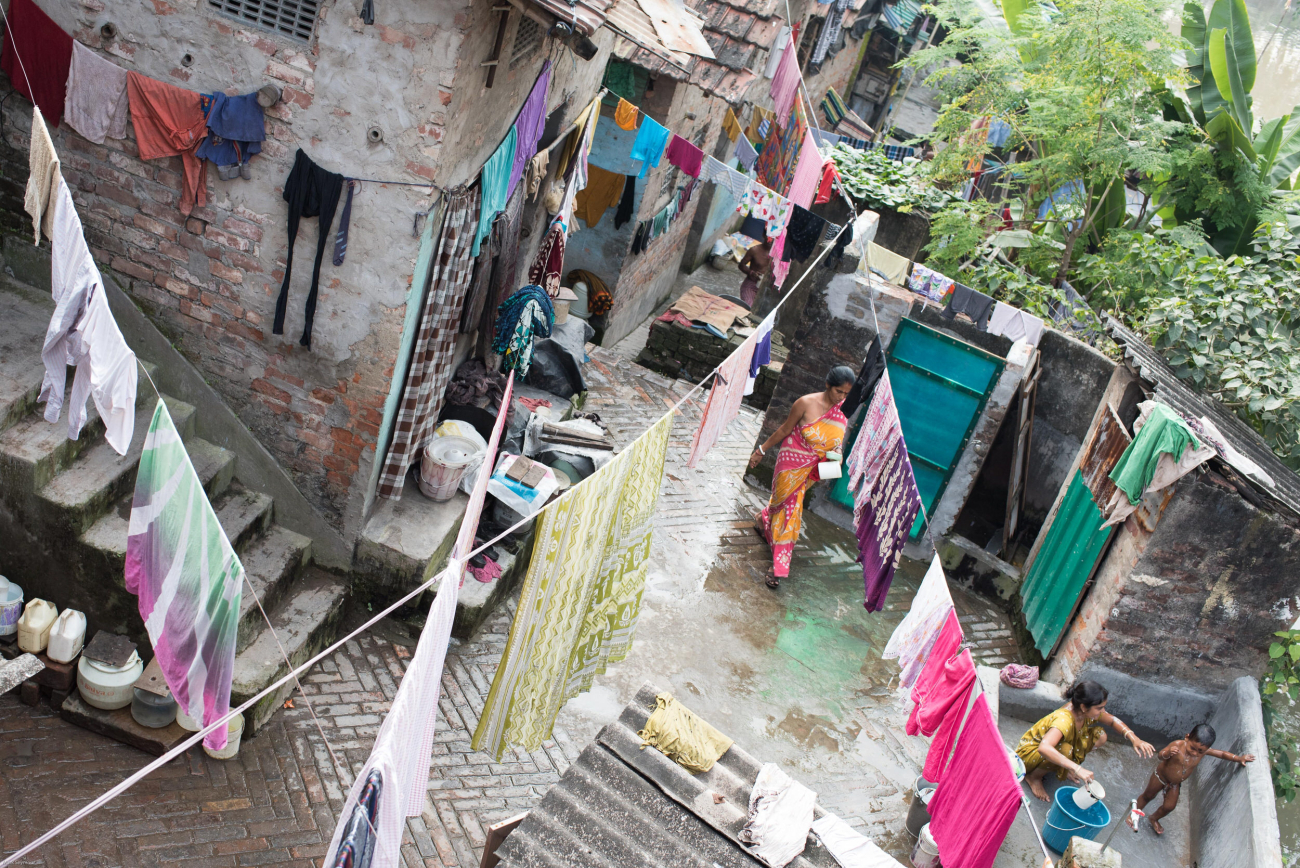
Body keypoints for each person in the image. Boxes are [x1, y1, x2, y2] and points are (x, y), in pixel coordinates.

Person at [748, 366, 853, 589]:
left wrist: (837, 458)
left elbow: (836, 443)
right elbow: (784, 430)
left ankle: (763, 524)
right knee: (786, 506)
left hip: (813, 469)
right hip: (790, 462)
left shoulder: (842, 411)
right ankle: (778, 565)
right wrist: (761, 451)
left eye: (846, 394)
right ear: (827, 385)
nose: (841, 398)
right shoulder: (805, 403)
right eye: (838, 392)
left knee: (790, 509)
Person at [1015, 681, 1155, 802]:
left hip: (1058, 747)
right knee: (1064, 749)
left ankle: (1064, 765)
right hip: (1028, 754)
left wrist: (1135, 739)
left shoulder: (1084, 712)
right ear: (1083, 707)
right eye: (1099, 708)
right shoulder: (1064, 719)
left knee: (1100, 735)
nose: (1103, 711)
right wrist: (1077, 768)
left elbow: (1112, 721)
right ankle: (1034, 777)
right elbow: (1044, 748)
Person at [1128, 723, 1253, 835]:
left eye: (1200, 751)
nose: (1195, 753)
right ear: (1187, 738)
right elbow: (1160, 756)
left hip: (1174, 784)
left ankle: (1154, 818)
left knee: (1169, 806)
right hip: (1160, 776)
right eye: (1192, 748)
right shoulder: (1177, 745)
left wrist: (1238, 758)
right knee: (1147, 796)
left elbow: (1221, 754)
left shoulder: (1203, 752)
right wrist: (1168, 753)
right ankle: (1133, 814)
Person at [737, 239, 772, 308]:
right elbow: (741, 265)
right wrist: (751, 272)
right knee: (748, 307)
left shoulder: (778, 254)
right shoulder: (754, 250)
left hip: (766, 288)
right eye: (769, 237)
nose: (771, 241)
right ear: (764, 235)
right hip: (751, 285)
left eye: (774, 238)